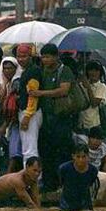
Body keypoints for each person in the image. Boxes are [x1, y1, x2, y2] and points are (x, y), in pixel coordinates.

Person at [29, 43, 75, 192]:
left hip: (62, 118)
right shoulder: (42, 71)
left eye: (48, 56)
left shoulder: (64, 70)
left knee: (62, 152)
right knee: (46, 152)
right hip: (46, 119)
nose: (45, 59)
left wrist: (41, 93)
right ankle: (49, 184)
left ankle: (64, 184)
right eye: (43, 56)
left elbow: (64, 90)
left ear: (56, 57)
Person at [15, 44, 43, 166]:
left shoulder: (33, 72)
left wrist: (27, 116)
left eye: (24, 56)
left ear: (30, 56)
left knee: (29, 149)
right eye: (18, 56)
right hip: (28, 112)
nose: (20, 59)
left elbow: (33, 96)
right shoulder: (28, 71)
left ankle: (32, 179)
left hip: (30, 113)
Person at [0, 57, 22, 172]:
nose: (7, 71)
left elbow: (12, 108)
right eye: (5, 68)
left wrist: (4, 125)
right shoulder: (8, 84)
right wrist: (4, 83)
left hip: (16, 121)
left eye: (10, 68)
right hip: (11, 122)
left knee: (14, 150)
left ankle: (8, 175)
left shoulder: (17, 83)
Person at [59, 143, 98, 211]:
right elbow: (62, 182)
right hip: (67, 204)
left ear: (88, 156)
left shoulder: (93, 170)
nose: (81, 160)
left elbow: (90, 184)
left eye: (83, 157)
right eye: (78, 156)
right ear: (73, 156)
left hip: (85, 203)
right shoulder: (64, 168)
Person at [78, 61, 106, 130]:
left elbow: (94, 103)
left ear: (100, 73)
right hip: (80, 123)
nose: (93, 73)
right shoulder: (81, 85)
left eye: (96, 70)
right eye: (91, 70)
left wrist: (88, 88)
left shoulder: (101, 87)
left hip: (93, 124)